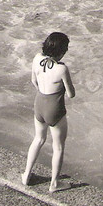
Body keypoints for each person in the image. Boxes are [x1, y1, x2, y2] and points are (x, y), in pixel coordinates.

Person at [22, 32, 76, 193]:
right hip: (55, 108)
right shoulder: (62, 68)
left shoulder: (36, 58)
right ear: (61, 51)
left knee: (38, 139)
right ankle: (54, 184)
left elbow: (33, 80)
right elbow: (71, 94)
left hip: (39, 103)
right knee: (58, 147)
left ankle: (26, 175)